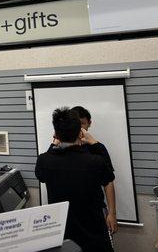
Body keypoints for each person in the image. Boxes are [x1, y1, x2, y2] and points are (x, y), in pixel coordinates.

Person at [35, 107, 115, 252]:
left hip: (64, 233)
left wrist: (53, 143)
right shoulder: (95, 161)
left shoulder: (44, 161)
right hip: (93, 230)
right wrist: (95, 143)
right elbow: (109, 175)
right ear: (79, 133)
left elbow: (41, 174)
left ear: (56, 134)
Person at [71, 106, 118, 236]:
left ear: (89, 124)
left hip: (96, 210)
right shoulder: (61, 149)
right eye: (76, 124)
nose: (79, 128)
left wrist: (112, 214)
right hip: (71, 213)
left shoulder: (97, 148)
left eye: (82, 124)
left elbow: (108, 182)